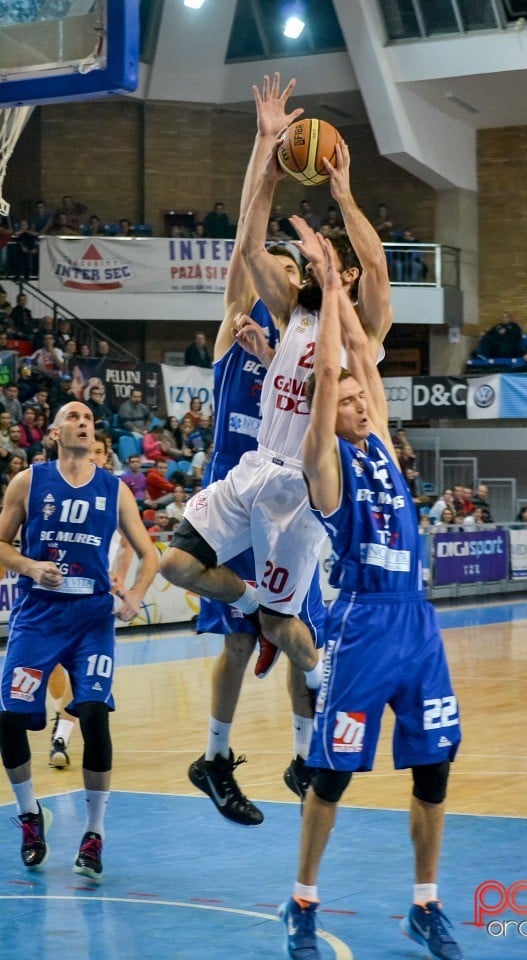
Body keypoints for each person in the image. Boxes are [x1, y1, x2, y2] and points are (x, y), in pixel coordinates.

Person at [160, 72, 392, 741]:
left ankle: (316, 686)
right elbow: (247, 245)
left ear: (339, 272)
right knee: (176, 564)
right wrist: (266, 152)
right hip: (255, 468)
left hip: (306, 488)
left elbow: (375, 271)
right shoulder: (292, 313)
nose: (311, 260)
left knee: (283, 632)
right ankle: (262, 605)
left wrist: (344, 196)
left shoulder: (359, 333)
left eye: (325, 259)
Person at [279, 235, 462, 960]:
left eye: (363, 397)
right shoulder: (322, 462)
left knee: (435, 768)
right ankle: (302, 899)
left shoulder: (383, 442)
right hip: (361, 625)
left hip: (416, 622)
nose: (359, 400)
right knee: (332, 774)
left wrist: (345, 294)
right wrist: (324, 290)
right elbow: (330, 371)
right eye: (349, 398)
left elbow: (355, 354)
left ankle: (426, 903)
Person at [177, 74, 325, 827]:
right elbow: (244, 242)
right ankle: (217, 756)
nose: (285, 277)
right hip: (235, 501)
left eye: (296, 275)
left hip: (288, 507)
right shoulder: (237, 334)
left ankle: (306, 757)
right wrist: (265, 147)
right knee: (240, 642)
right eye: (281, 271)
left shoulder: (300, 359)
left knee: (300, 634)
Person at [0, 402, 158, 881]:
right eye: (73, 416)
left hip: (92, 618)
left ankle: (94, 834)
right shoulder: (28, 482)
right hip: (39, 615)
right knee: (9, 719)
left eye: (89, 418)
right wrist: (29, 567)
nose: (83, 422)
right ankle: (31, 817)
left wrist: (134, 594)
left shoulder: (114, 489)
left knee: (92, 712)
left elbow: (149, 554)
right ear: (53, 432)